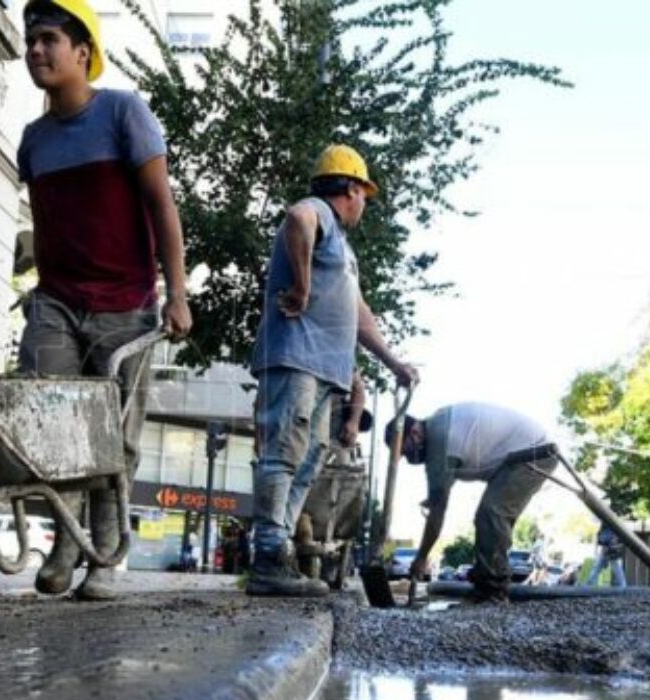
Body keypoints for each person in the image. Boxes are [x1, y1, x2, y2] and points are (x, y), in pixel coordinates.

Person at [17, 0, 192, 600]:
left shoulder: (123, 113)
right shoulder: (33, 139)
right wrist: (37, 283)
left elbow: (160, 206)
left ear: (82, 52)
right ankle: (65, 545)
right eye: (29, 41)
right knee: (50, 426)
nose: (35, 51)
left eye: (47, 40)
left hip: (125, 303)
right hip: (58, 303)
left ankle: (105, 561)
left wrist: (178, 293)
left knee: (113, 439)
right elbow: (45, 221)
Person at [247, 145, 417, 597]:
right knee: (284, 453)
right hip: (296, 358)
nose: (365, 203)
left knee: (307, 461)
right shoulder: (318, 211)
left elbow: (360, 317)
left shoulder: (343, 248)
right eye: (364, 193)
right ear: (351, 188)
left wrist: (394, 362)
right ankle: (266, 556)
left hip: (325, 371)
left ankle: (276, 554)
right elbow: (296, 219)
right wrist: (302, 288)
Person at [385, 402, 557, 603]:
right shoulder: (437, 426)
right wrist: (434, 499)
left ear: (414, 432)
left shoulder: (438, 444)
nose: (407, 458)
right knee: (489, 514)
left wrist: (421, 556)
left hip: (534, 453)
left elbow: (437, 513)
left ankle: (493, 593)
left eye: (404, 451)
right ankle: (485, 585)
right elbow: (439, 495)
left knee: (492, 512)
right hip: (518, 453)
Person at [585, 522, 627, 588]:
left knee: (616, 569)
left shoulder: (614, 529)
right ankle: (589, 585)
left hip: (612, 551)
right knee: (597, 567)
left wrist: (610, 546)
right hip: (607, 550)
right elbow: (600, 537)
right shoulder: (606, 527)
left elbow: (602, 538)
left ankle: (623, 586)